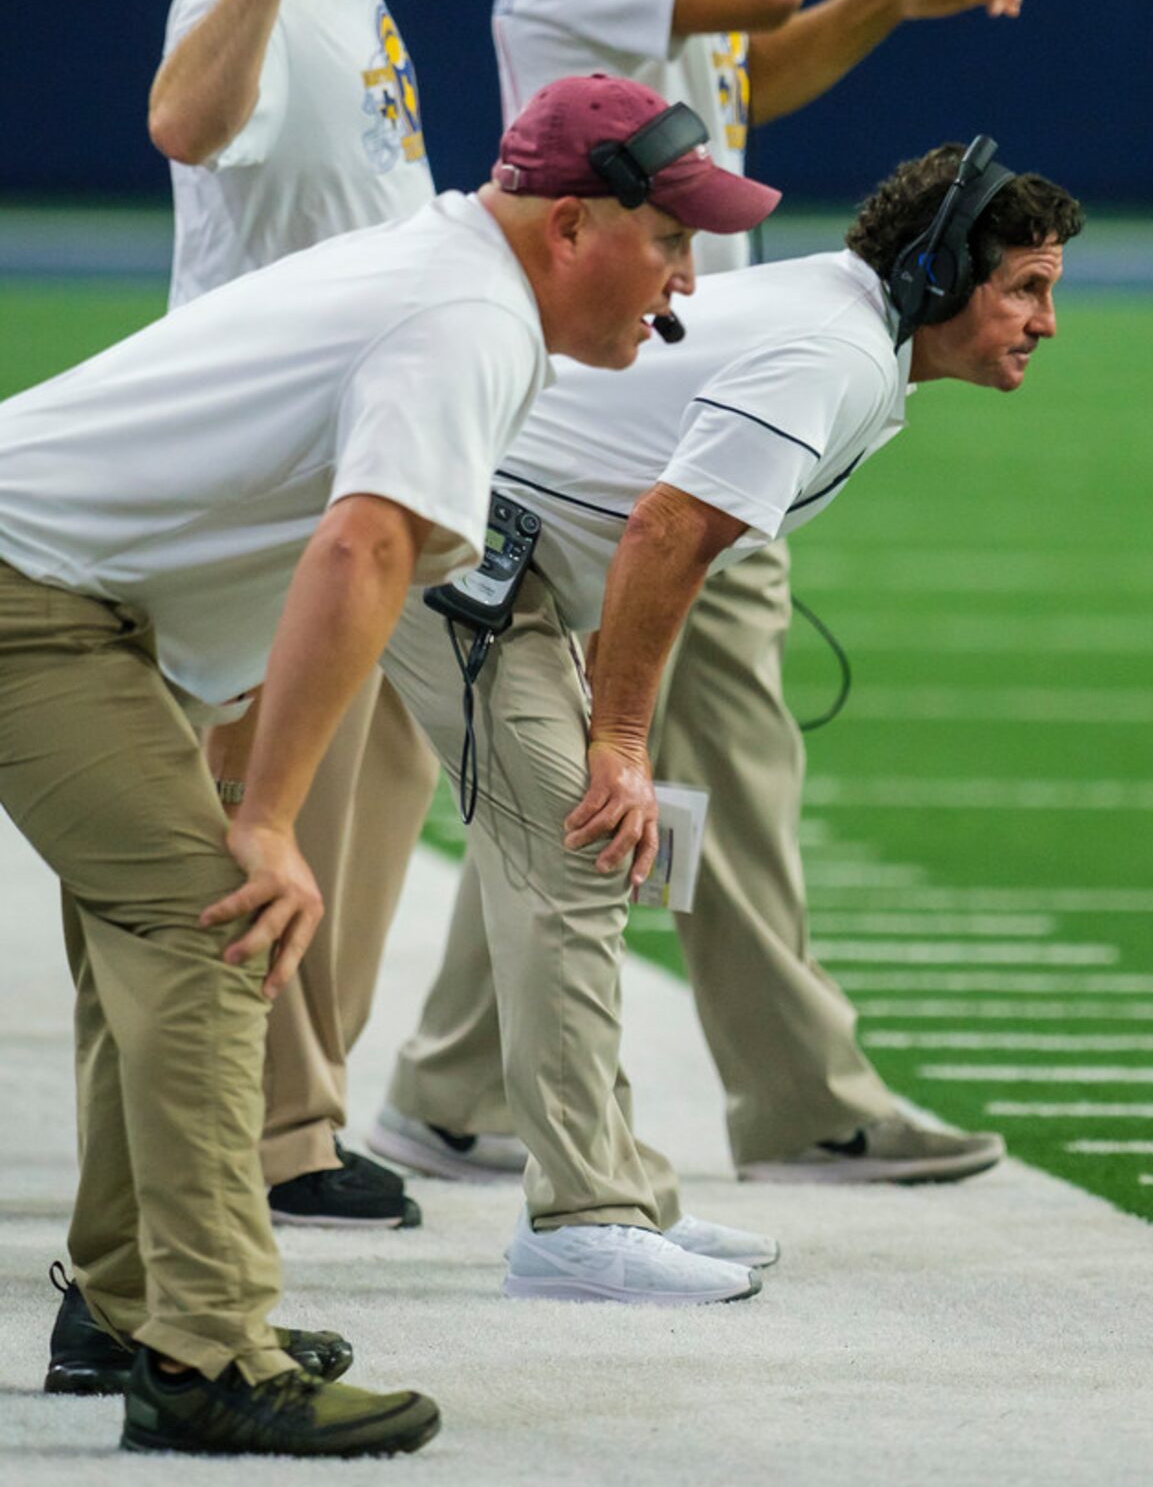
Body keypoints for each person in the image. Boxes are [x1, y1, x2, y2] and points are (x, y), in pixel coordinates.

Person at [3, 75, 760, 1454]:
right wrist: (275, 817)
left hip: (86, 601)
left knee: (157, 934)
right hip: (37, 593)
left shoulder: (456, 277)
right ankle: (210, 1353)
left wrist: (241, 769)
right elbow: (360, 550)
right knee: (220, 921)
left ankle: (128, 1312)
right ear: (575, 223)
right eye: (670, 242)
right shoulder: (465, 314)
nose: (685, 286)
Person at [375, 0, 1028, 1184]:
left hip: (668, 385)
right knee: (717, 754)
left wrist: (883, 2)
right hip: (641, 411)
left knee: (591, 769)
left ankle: (453, 1081)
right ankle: (796, 1096)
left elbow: (743, 83)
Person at [375, 146, 1081, 1216]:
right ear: (936, 274)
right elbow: (666, 530)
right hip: (463, 550)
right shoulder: (837, 351)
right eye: (1023, 287)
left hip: (487, 549)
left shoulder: (849, 330)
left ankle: (565, 1172)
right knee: (583, 848)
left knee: (573, 851)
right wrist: (617, 739)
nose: (1043, 322)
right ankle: (591, 1216)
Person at [148, 0, 486, 1228]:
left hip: (365, 444)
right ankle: (274, 1130)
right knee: (275, 797)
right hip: (275, 464)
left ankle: (303, 1097)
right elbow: (186, 119)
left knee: (380, 773)